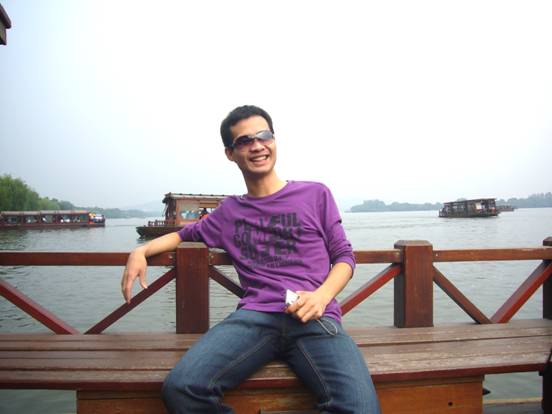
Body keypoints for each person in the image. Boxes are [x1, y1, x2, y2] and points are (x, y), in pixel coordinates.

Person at [121, 105, 380, 413]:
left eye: (264, 136)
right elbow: (181, 236)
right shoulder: (229, 212)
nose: (257, 146)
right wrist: (140, 251)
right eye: (244, 141)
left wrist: (321, 297)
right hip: (255, 318)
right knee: (182, 388)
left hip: (315, 317)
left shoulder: (316, 194)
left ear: (274, 140)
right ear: (230, 153)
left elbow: (344, 257)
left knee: (361, 407)